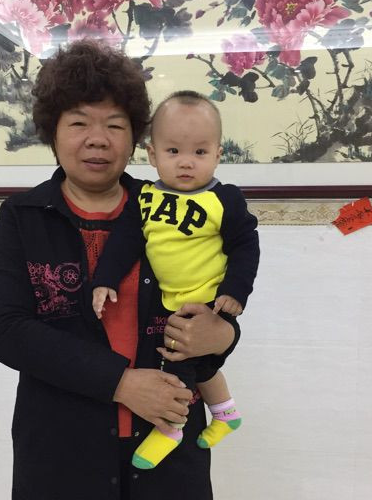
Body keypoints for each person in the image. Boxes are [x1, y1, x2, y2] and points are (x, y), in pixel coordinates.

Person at [0, 40, 241, 500]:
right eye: (79, 122)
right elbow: (6, 330)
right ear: (53, 131)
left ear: (136, 138)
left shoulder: (173, 208)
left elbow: (215, 297)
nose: (97, 139)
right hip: (61, 450)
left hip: (169, 447)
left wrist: (224, 335)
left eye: (115, 125)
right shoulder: (24, 215)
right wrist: (120, 383)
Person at [92, 91, 259, 470]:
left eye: (200, 152)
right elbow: (125, 242)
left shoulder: (224, 200)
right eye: (173, 151)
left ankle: (170, 428)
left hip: (210, 304)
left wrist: (235, 292)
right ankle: (226, 413)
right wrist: (105, 279)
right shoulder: (145, 199)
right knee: (203, 368)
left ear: (218, 155)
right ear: (152, 155)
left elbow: (246, 245)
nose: (186, 162)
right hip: (169, 302)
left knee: (178, 364)